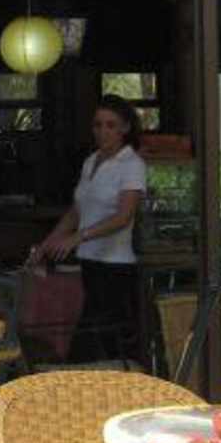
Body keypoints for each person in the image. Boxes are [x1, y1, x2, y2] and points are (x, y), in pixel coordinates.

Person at [30, 97, 148, 363]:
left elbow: (123, 216)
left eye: (110, 125)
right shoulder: (91, 161)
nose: (103, 132)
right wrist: (47, 244)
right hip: (89, 263)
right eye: (98, 125)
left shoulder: (132, 165)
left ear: (125, 128)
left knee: (104, 343)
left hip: (115, 267)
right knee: (90, 340)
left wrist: (78, 237)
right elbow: (77, 212)